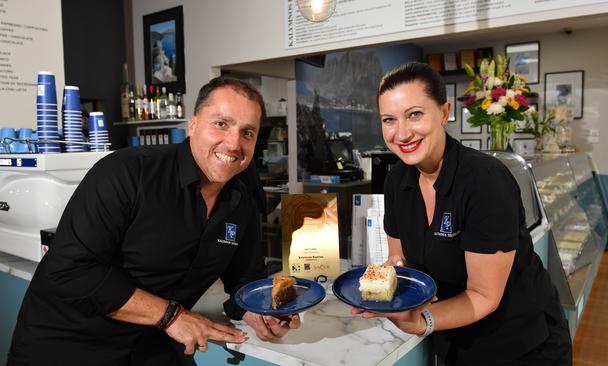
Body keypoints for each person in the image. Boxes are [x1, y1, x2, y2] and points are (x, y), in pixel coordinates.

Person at [8, 77, 300, 366]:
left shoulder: (243, 194)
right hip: (69, 346)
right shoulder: (127, 172)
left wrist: (261, 311)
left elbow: (244, 278)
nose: (234, 143)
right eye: (221, 124)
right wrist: (171, 315)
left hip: (155, 348)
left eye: (247, 132)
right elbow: (70, 271)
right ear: (194, 124)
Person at [352, 62, 572, 365]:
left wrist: (421, 319)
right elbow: (400, 260)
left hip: (518, 345)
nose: (401, 133)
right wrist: (385, 282)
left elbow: (484, 296)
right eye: (389, 120)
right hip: (452, 337)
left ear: (443, 112)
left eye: (414, 114)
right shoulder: (397, 181)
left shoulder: (484, 180)